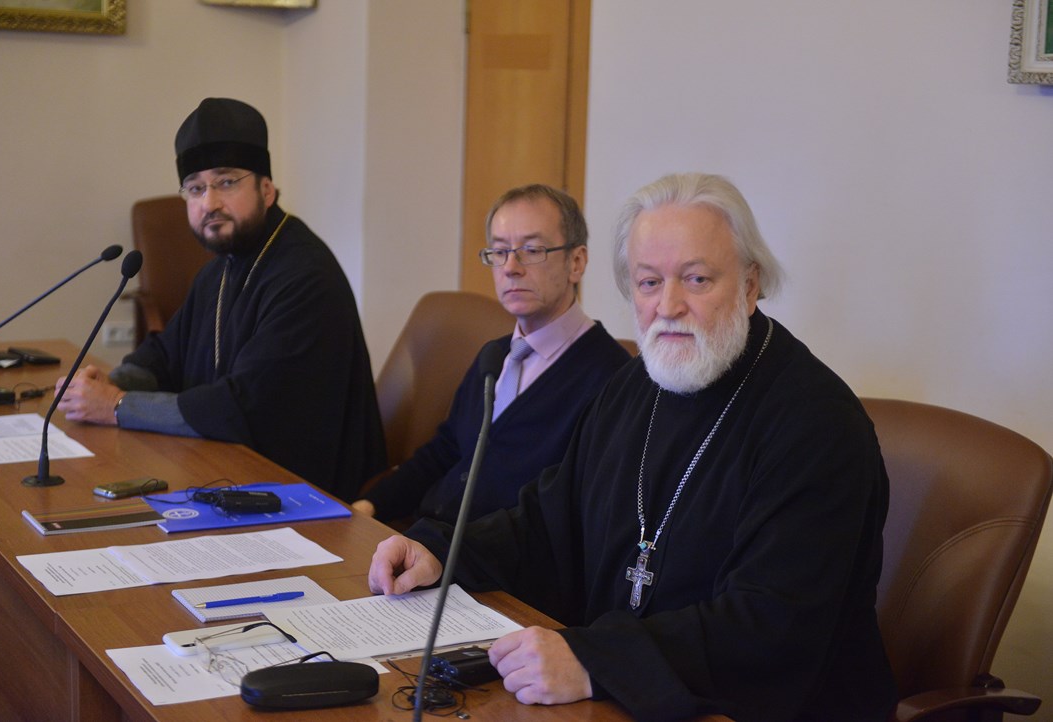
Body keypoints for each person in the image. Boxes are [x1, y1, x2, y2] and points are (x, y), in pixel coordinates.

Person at [367, 173, 897, 721]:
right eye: (648, 282)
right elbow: (548, 522)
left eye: (696, 279)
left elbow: (772, 623)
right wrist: (443, 551)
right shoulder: (633, 388)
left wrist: (597, 661)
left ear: (749, 284)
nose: (668, 306)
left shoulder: (816, 422)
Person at [56, 97, 386, 501]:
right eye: (196, 189)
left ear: (266, 189)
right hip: (224, 473)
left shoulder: (305, 277)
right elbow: (164, 356)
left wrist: (116, 405)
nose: (209, 203)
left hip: (303, 494)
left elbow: (243, 407)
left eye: (227, 182)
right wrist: (106, 384)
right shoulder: (219, 270)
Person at [353, 184, 630, 524]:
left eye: (531, 250)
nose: (511, 267)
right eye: (499, 252)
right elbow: (446, 450)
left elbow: (566, 516)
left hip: (481, 555)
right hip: (426, 538)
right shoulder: (495, 355)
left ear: (576, 262)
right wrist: (370, 506)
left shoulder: (612, 380)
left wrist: (438, 546)